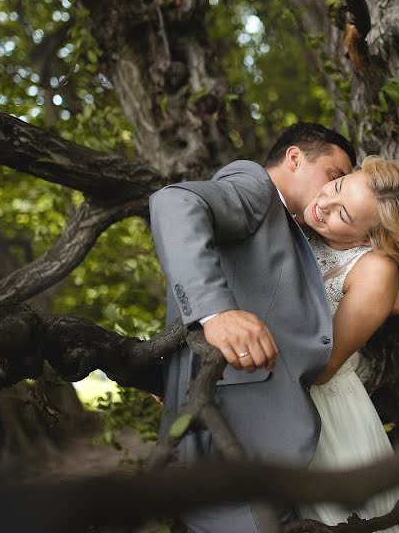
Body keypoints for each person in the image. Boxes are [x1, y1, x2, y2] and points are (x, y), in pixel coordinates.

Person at [148, 122, 356, 532]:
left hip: (251, 437)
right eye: (334, 176)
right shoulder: (254, 186)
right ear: (295, 157)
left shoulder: (285, 222)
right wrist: (215, 312)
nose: (333, 191)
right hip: (234, 437)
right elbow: (174, 202)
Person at [294, 155, 399, 531]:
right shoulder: (303, 212)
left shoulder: (375, 269)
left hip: (324, 414)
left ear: (367, 240)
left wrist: (377, 296)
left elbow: (322, 370)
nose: (324, 204)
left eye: (343, 214)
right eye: (337, 187)